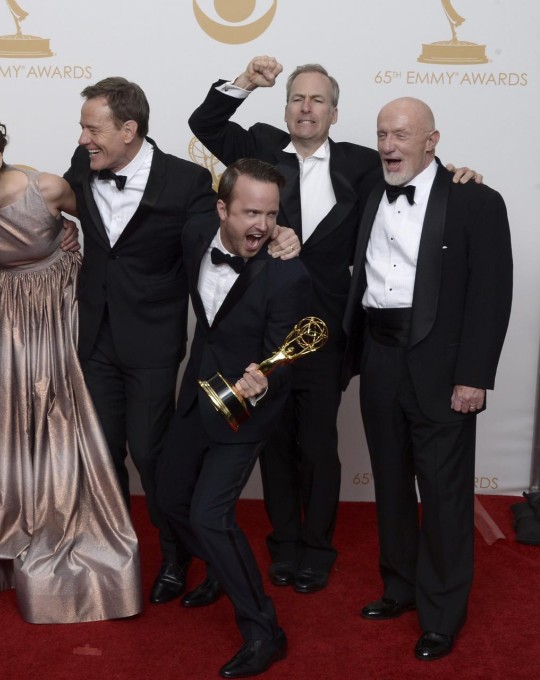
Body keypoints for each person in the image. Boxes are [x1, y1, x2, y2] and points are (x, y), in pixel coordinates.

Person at [189, 56, 483, 593]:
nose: (306, 108)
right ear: (285, 108)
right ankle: (284, 545)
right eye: (297, 98)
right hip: (263, 330)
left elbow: (416, 176)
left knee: (320, 444)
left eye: (318, 100)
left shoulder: (363, 163)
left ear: (334, 112)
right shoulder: (259, 146)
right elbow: (204, 124)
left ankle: (317, 549)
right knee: (274, 441)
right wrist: (245, 82)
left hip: (328, 332)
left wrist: (460, 176)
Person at [63, 76, 301, 605]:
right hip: (94, 337)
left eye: (92, 128)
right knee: (101, 456)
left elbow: (229, 231)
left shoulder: (186, 179)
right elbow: (49, 198)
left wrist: (280, 232)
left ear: (129, 129)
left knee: (152, 457)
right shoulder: (85, 164)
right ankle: (112, 556)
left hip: (152, 343)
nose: (83, 138)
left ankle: (177, 557)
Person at [0, 108, 141, 624]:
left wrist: (71, 237)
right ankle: (2, 522)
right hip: (1, 305)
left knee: (56, 413)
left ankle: (60, 520)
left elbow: (103, 224)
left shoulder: (46, 188)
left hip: (54, 300)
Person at [343, 97, 512, 661]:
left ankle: (441, 614)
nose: (388, 145)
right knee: (391, 482)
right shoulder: (369, 187)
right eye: (381, 134)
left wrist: (474, 377)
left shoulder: (476, 200)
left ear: (432, 141)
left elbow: (491, 295)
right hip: (379, 355)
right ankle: (400, 587)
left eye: (401, 135)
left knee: (443, 494)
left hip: (443, 367)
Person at [157, 159, 311, 678]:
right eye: (250, 213)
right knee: (169, 498)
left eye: (271, 215)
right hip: (197, 390)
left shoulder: (288, 273)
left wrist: (267, 377)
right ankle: (222, 569)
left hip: (246, 409)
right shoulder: (195, 232)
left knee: (210, 515)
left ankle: (265, 632)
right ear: (222, 209)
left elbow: (285, 352)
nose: (262, 226)